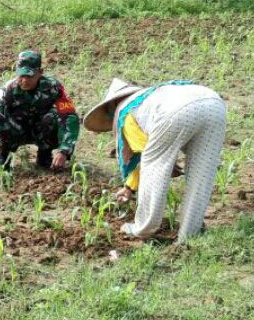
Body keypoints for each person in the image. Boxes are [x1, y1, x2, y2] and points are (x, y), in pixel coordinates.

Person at [83, 78, 226, 243]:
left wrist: (130, 186)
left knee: (154, 168)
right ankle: (190, 233)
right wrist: (130, 187)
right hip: (215, 104)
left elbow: (146, 155)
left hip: (177, 112)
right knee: (202, 172)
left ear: (112, 106)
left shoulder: (125, 111)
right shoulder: (151, 97)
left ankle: (143, 228)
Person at [0, 50, 79, 174]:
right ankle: (4, 157)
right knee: (4, 123)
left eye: (29, 76)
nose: (24, 80)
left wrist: (64, 151)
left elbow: (69, 117)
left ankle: (44, 154)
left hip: (41, 129)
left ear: (40, 73)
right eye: (21, 75)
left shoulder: (53, 88)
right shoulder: (7, 91)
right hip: (16, 130)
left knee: (53, 118)